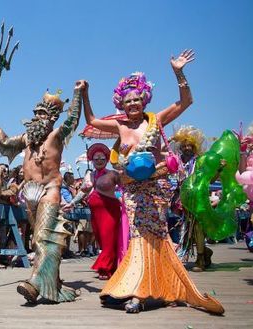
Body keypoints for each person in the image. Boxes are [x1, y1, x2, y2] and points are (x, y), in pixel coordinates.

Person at [82, 50, 223, 314]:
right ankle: (138, 286)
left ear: (144, 100)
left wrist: (178, 72)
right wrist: (84, 94)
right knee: (137, 237)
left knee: (153, 236)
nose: (133, 104)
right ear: (121, 105)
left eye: (137, 99)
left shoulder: (156, 120)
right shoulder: (120, 127)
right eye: (128, 101)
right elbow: (90, 120)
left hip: (156, 188)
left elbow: (186, 101)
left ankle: (147, 291)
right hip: (132, 191)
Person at [0, 82, 83, 304]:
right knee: (39, 239)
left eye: (42, 113)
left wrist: (77, 93)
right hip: (29, 194)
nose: (37, 117)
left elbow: (73, 119)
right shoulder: (27, 139)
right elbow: (5, 141)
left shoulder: (56, 135)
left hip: (50, 189)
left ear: (52, 117)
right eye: (36, 113)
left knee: (43, 237)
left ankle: (35, 283)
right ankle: (52, 283)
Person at [66, 143, 121, 280]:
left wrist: (124, 201)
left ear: (107, 160)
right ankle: (112, 265)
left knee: (109, 239)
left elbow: (124, 188)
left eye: (102, 159)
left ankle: (104, 268)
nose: (99, 161)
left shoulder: (113, 174)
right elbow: (83, 192)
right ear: (92, 160)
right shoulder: (89, 176)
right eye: (96, 159)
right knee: (102, 240)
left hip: (110, 211)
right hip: (95, 213)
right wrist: (72, 203)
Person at [170, 126, 212, 271]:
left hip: (198, 199)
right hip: (182, 200)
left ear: (194, 147)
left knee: (197, 228)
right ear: (181, 147)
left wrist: (218, 170)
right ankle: (205, 252)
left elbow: (210, 180)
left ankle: (200, 259)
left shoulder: (201, 161)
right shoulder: (177, 161)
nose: (187, 148)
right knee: (188, 229)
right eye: (184, 145)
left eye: (190, 145)